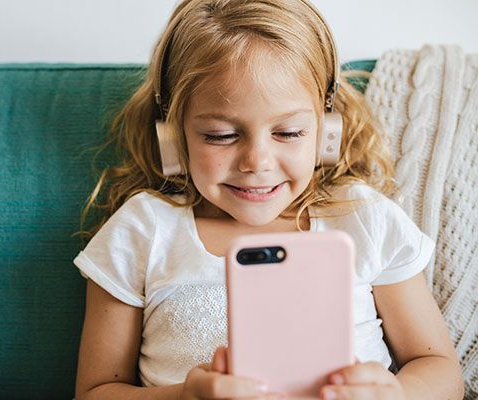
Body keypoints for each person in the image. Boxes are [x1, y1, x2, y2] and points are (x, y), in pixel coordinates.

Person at [73, 0, 464, 399]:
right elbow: (96, 391)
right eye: (221, 136)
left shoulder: (362, 218)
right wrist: (186, 396)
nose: (256, 162)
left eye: (289, 132)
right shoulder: (143, 230)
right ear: (172, 136)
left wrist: (394, 394)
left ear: (326, 131)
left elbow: (439, 369)